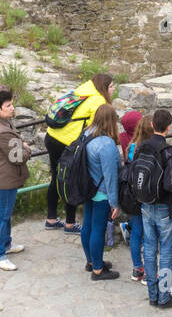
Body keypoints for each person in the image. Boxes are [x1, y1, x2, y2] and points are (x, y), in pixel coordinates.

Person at [43, 73, 114, 232]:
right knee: (71, 179)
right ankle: (69, 223)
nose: (113, 89)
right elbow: (95, 128)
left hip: (52, 137)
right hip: (66, 143)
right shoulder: (99, 101)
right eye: (111, 86)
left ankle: (52, 219)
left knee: (56, 177)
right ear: (104, 87)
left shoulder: (83, 89)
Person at [138, 108, 172, 309]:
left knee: (149, 249)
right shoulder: (170, 152)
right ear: (169, 127)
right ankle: (164, 296)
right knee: (166, 251)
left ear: (151, 125)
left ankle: (152, 294)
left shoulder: (142, 147)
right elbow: (170, 183)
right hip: (164, 207)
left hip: (146, 204)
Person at [0, 87, 32, 270]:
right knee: (2, 215)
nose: (13, 108)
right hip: (5, 176)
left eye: (12, 104)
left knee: (5, 213)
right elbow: (18, 156)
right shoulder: (1, 129)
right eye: (8, 105)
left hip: (2, 173)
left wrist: (20, 144)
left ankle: (6, 244)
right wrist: (26, 148)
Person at [81, 103, 122, 281]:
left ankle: (91, 261)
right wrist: (114, 203)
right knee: (98, 228)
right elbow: (111, 176)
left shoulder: (86, 133)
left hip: (86, 187)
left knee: (87, 226)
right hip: (101, 192)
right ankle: (98, 270)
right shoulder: (106, 144)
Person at [124, 114, 153, 282]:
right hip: (147, 196)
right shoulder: (150, 148)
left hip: (133, 195)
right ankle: (149, 271)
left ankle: (137, 268)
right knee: (149, 234)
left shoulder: (132, 146)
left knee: (136, 232)